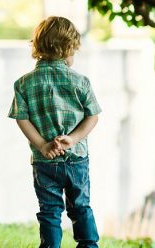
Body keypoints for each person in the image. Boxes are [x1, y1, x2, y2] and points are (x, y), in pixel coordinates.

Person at [8, 16, 102, 248]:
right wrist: (73, 138)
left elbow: (22, 119)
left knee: (49, 211)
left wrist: (42, 145)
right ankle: (88, 245)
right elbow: (93, 116)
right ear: (67, 49)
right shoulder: (80, 82)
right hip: (76, 158)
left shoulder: (23, 84)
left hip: (44, 161)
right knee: (81, 207)